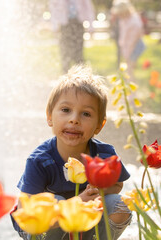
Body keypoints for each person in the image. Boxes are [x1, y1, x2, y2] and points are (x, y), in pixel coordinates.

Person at [11, 65, 132, 240]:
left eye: (86, 114)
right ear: (49, 116)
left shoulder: (104, 155)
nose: (74, 119)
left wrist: (98, 191)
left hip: (83, 219)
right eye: (66, 110)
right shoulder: (39, 160)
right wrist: (77, 202)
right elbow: (25, 209)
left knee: (119, 206)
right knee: (56, 200)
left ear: (99, 125)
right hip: (39, 225)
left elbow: (117, 184)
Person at [49, 0, 95, 73]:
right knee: (65, 53)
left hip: (78, 22)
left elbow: (88, 8)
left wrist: (91, 26)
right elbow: (53, 8)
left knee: (78, 54)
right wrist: (55, 26)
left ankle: (81, 77)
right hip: (64, 23)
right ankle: (65, 77)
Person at [111, 0, 145, 80]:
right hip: (128, 45)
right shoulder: (124, 19)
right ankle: (129, 86)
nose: (119, 16)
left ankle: (132, 90)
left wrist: (127, 54)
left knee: (129, 69)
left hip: (135, 46)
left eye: (120, 14)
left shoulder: (134, 22)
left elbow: (132, 41)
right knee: (128, 69)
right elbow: (123, 35)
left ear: (125, 12)